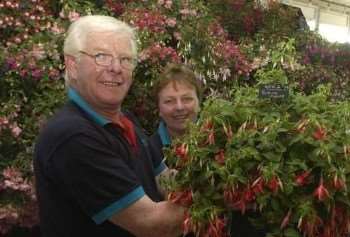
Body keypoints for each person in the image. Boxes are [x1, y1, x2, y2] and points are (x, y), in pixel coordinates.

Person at [33, 15, 185, 237]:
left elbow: (167, 182)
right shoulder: (73, 137)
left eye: (125, 59)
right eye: (101, 56)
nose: (116, 68)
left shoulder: (126, 121)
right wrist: (225, 197)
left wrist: (223, 171)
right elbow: (153, 224)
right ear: (72, 66)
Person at [148, 64, 265, 237]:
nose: (179, 107)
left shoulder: (225, 138)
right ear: (159, 109)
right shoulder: (149, 150)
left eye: (187, 99)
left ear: (199, 102)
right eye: (169, 101)